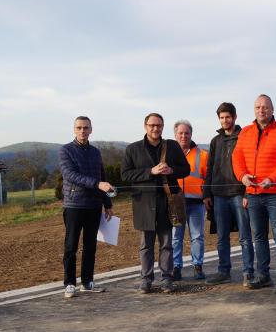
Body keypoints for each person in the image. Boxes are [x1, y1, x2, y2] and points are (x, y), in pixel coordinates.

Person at [232, 94, 276, 294]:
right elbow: (237, 157)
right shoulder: (245, 132)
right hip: (252, 193)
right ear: (254, 110)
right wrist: (242, 176)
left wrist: (272, 178)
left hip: (275, 192)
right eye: (258, 107)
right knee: (258, 236)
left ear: (272, 109)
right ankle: (263, 276)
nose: (262, 110)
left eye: (266, 107)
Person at [122, 113, 190, 294]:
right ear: (145, 126)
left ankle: (167, 279)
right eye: (152, 125)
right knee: (146, 245)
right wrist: (150, 171)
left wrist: (172, 170)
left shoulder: (173, 146)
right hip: (144, 204)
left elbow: (186, 169)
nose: (155, 128)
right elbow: (126, 175)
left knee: (167, 243)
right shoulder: (132, 149)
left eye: (159, 125)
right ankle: (146, 279)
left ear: (163, 127)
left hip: (167, 202)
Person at [58, 116, 114, 298]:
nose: (82, 131)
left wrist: (107, 203)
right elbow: (71, 175)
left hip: (94, 205)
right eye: (79, 128)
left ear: (91, 130)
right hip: (74, 205)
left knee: (90, 246)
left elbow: (102, 175)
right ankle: (69, 283)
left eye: (86, 128)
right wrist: (97, 184)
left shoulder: (96, 152)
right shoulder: (65, 151)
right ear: (74, 129)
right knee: (70, 246)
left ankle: (87, 282)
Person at [202, 102, 256, 287]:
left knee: (245, 236)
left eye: (228, 117)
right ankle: (223, 271)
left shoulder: (244, 137)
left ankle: (248, 272)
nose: (225, 120)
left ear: (234, 117)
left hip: (239, 193)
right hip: (218, 195)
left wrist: (248, 194)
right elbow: (210, 168)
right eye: (222, 118)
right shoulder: (215, 141)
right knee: (221, 236)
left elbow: (250, 166)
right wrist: (206, 193)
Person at [171, 120, 209, 281]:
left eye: (186, 133)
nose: (183, 136)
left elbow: (209, 179)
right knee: (175, 237)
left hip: (196, 202)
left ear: (191, 134)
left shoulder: (203, 154)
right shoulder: (169, 155)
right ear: (175, 135)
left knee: (197, 236)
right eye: (180, 133)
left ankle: (197, 266)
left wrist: (207, 196)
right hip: (176, 202)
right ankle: (176, 268)